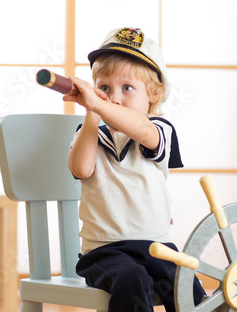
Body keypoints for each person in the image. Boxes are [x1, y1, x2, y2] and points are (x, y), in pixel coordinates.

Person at [64, 27, 206, 312]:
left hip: (157, 246)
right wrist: (93, 112)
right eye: (104, 88)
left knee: (187, 286)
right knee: (132, 279)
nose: (113, 98)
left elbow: (142, 130)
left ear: (153, 94)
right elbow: (80, 168)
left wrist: (101, 106)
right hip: (104, 252)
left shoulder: (158, 130)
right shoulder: (89, 133)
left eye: (127, 88)